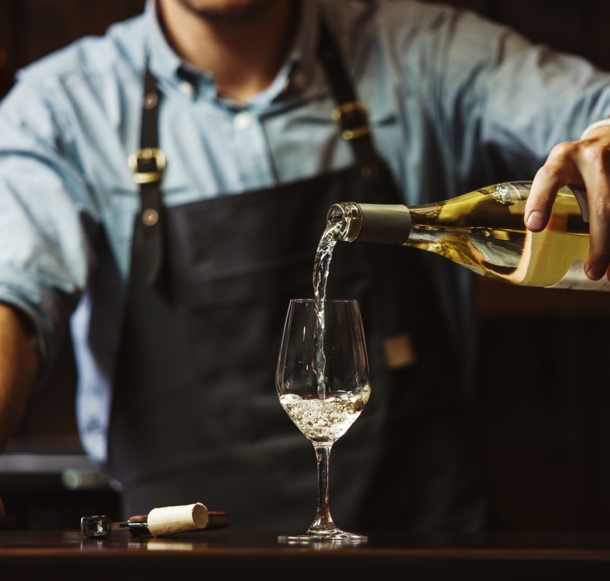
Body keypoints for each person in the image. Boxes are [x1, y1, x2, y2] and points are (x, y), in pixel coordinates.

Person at [1, 0, 610, 531]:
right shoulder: (59, 107)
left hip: (428, 562)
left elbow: (592, 102)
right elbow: (11, 298)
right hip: (179, 571)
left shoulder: (423, 51)